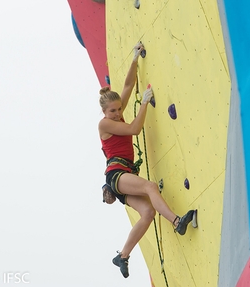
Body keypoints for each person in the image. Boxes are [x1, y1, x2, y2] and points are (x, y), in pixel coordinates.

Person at [98, 42, 195, 278]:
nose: (118, 113)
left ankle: (122, 256)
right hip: (117, 175)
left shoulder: (116, 114)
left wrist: (134, 59)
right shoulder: (105, 124)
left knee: (148, 214)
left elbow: (129, 85)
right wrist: (143, 104)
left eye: (119, 109)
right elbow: (133, 129)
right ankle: (176, 221)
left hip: (123, 175)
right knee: (150, 187)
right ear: (104, 112)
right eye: (113, 111)